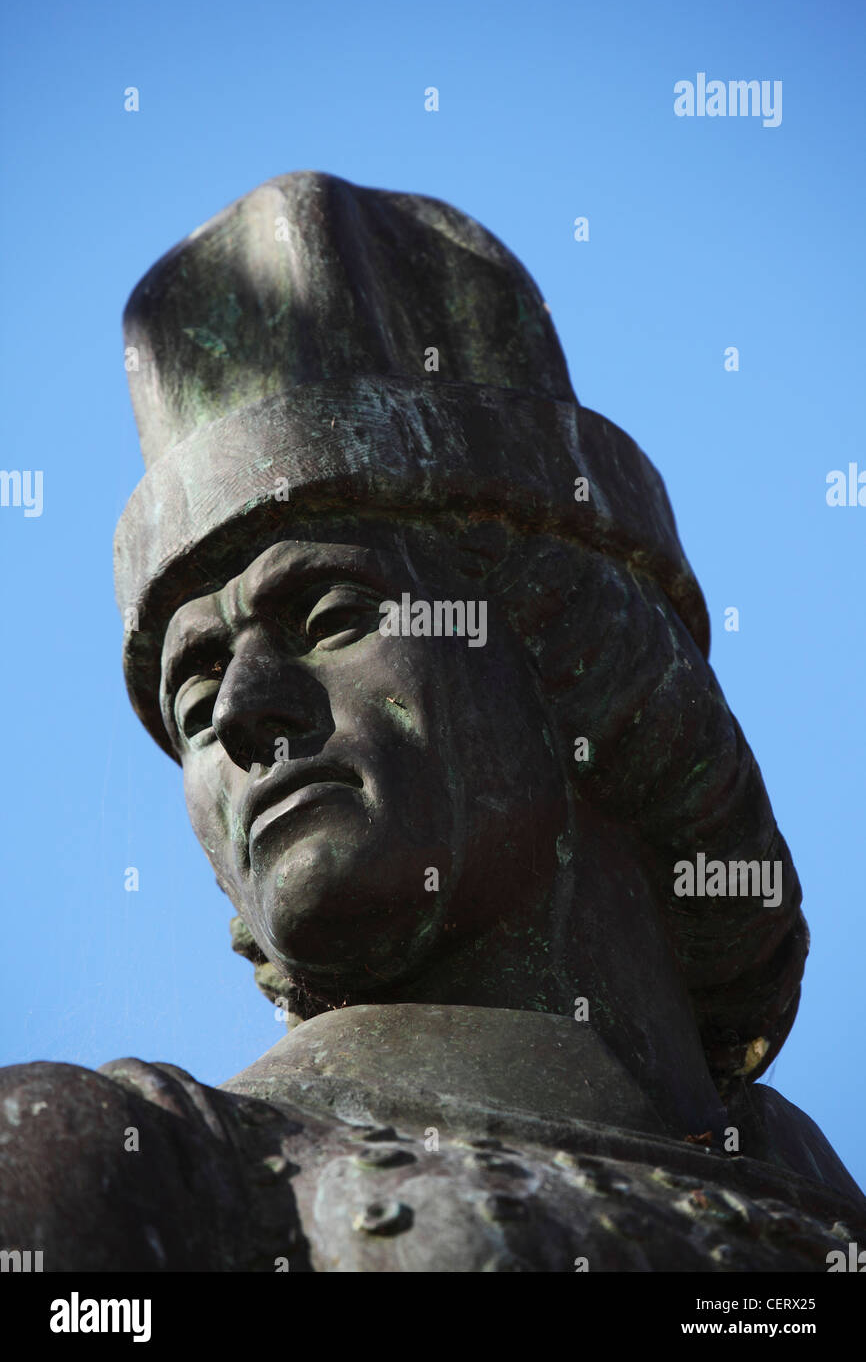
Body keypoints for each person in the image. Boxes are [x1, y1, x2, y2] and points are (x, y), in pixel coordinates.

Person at [1, 172, 862, 1271]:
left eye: (330, 613)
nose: (240, 714)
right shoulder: (120, 1178)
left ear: (575, 655)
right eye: (192, 689)